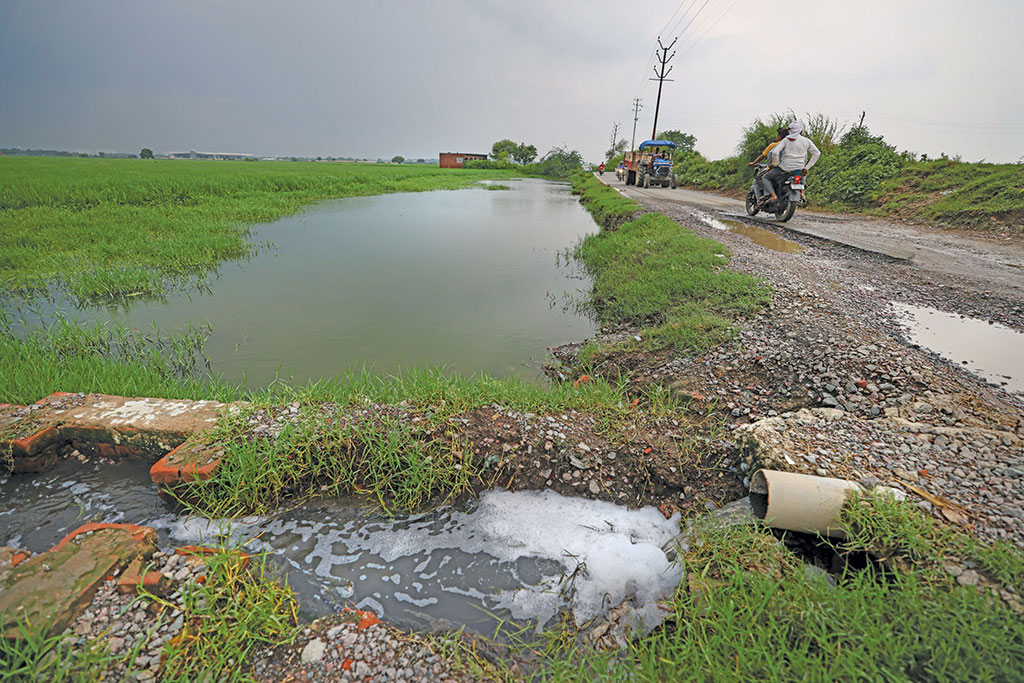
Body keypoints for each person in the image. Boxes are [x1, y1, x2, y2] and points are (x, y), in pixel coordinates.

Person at [760, 121, 821, 205]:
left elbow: (774, 153)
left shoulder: (786, 140)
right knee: (802, 175)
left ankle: (773, 195)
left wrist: (776, 163)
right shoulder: (806, 141)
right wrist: (807, 167)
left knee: (765, 178)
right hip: (799, 168)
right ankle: (802, 193)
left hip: (784, 168)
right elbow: (817, 153)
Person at [749, 127, 789, 200]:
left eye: (777, 135)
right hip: (790, 169)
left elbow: (762, 156)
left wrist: (753, 162)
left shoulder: (773, 145)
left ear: (779, 137)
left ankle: (760, 200)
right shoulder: (791, 145)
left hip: (775, 169)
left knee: (758, 180)